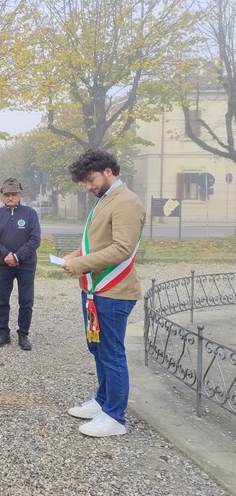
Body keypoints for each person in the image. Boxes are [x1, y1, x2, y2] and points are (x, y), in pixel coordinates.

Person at [61, 149, 145, 438]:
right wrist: (72, 257)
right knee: (97, 348)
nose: (88, 186)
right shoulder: (106, 200)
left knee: (111, 352)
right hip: (97, 290)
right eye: (85, 181)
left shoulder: (127, 202)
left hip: (114, 291)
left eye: (91, 179)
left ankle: (115, 417)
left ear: (108, 171)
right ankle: (103, 401)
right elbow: (96, 243)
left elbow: (122, 248)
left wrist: (80, 264)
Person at [0, 177, 41, 351]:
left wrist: (17, 256)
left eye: (14, 194)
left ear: (20, 194)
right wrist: (7, 255)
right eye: (7, 194)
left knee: (26, 301)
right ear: (3, 196)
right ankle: (3, 333)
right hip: (4, 265)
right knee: (2, 300)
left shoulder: (30, 214)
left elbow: (35, 240)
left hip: (26, 265)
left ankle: (23, 334)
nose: (11, 197)